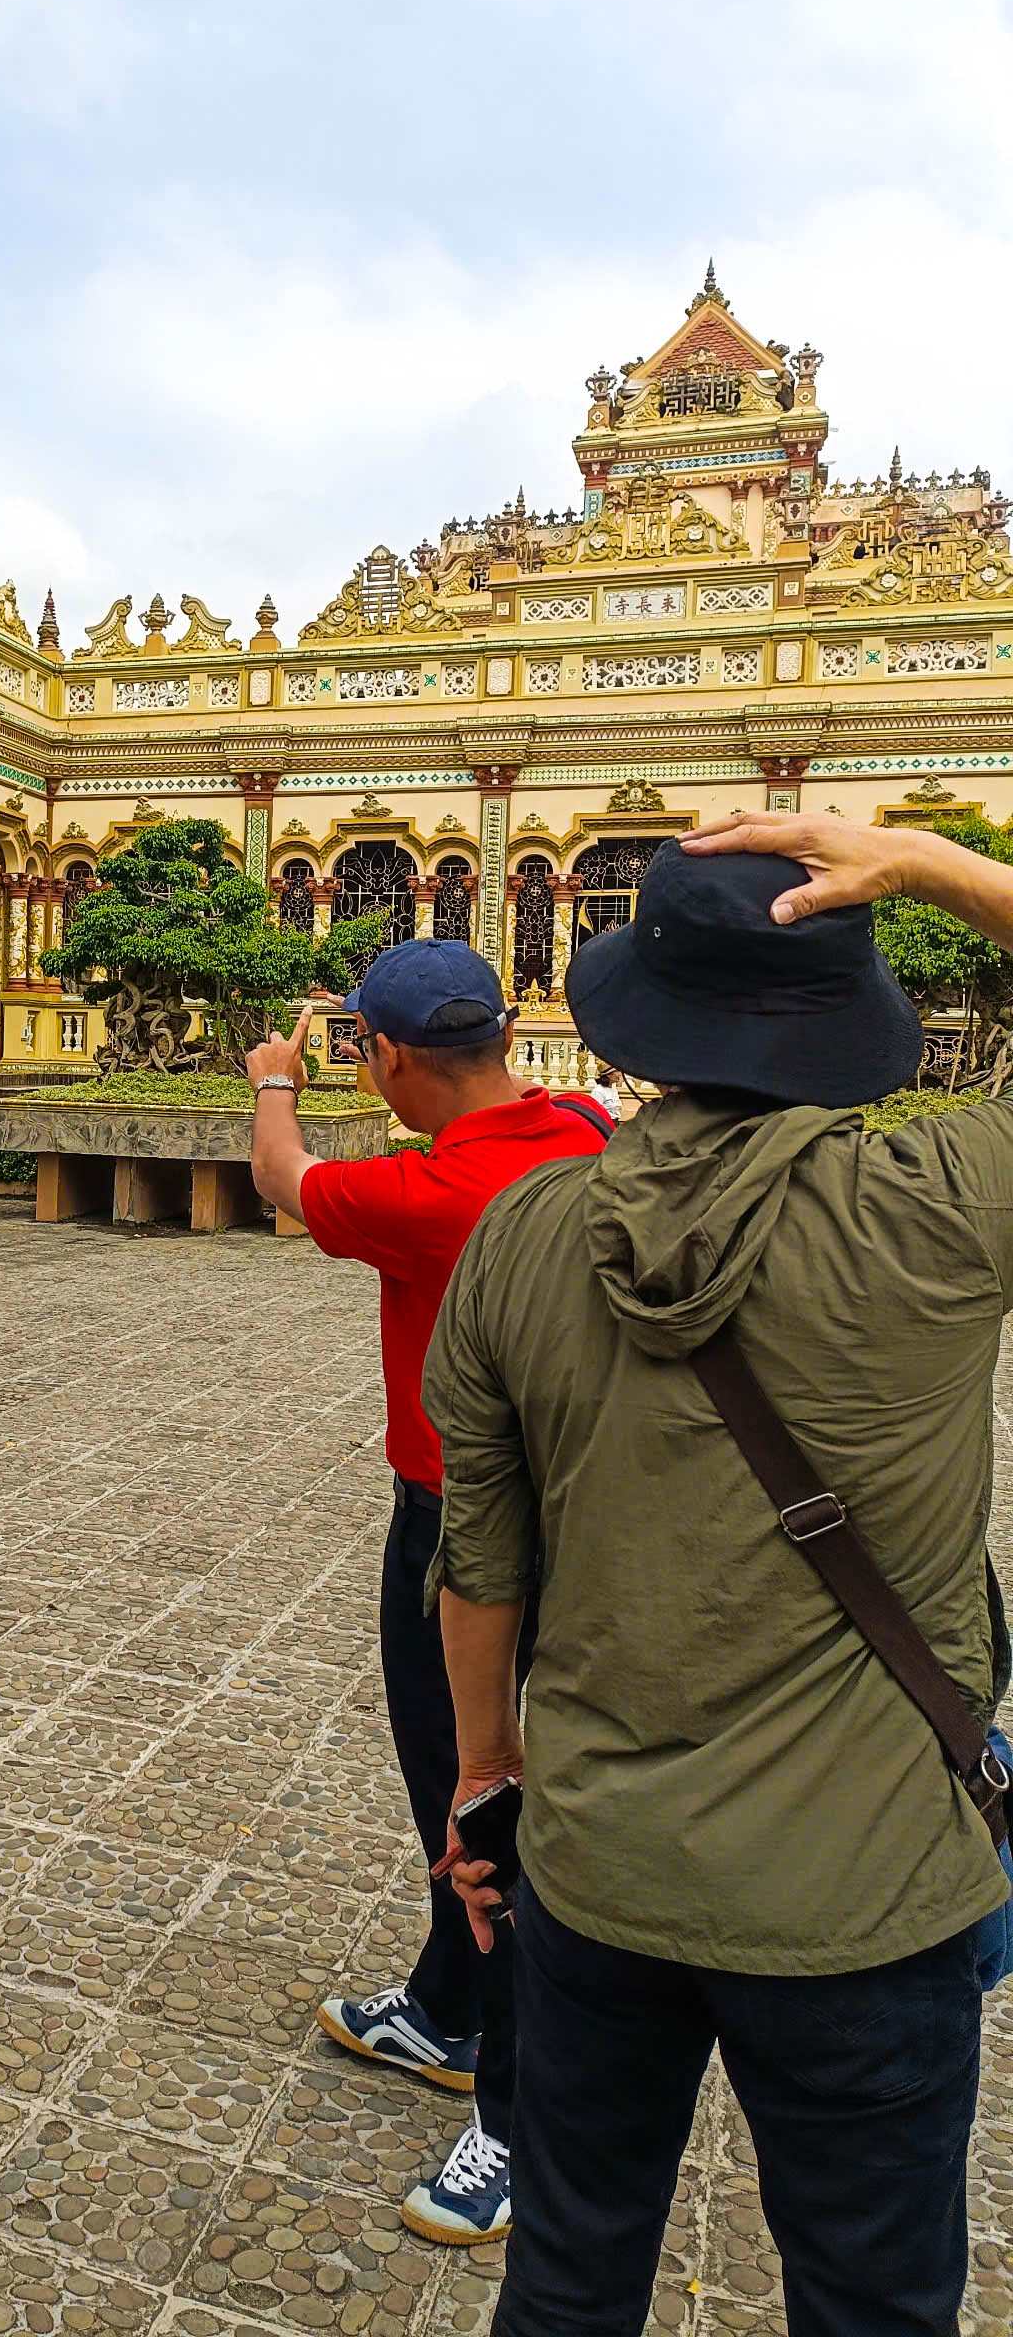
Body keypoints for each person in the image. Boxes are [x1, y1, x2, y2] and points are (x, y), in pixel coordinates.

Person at [428, 818, 1013, 2334]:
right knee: (875, 2301)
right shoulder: (943, 1204)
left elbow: (477, 1561)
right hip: (867, 1894)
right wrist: (922, 861)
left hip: (598, 1870)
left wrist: (486, 1771)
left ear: (639, 1019)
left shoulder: (525, 1234)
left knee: (569, 2276)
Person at [246, 939, 609, 2245]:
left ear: (388, 1057)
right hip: (583, 1514)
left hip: (464, 1533)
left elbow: (283, 1180)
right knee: (472, 1791)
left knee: (478, 1800)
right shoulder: (581, 1133)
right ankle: (448, 2008)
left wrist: (274, 1079)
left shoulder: (431, 1191)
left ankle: (516, 2114)